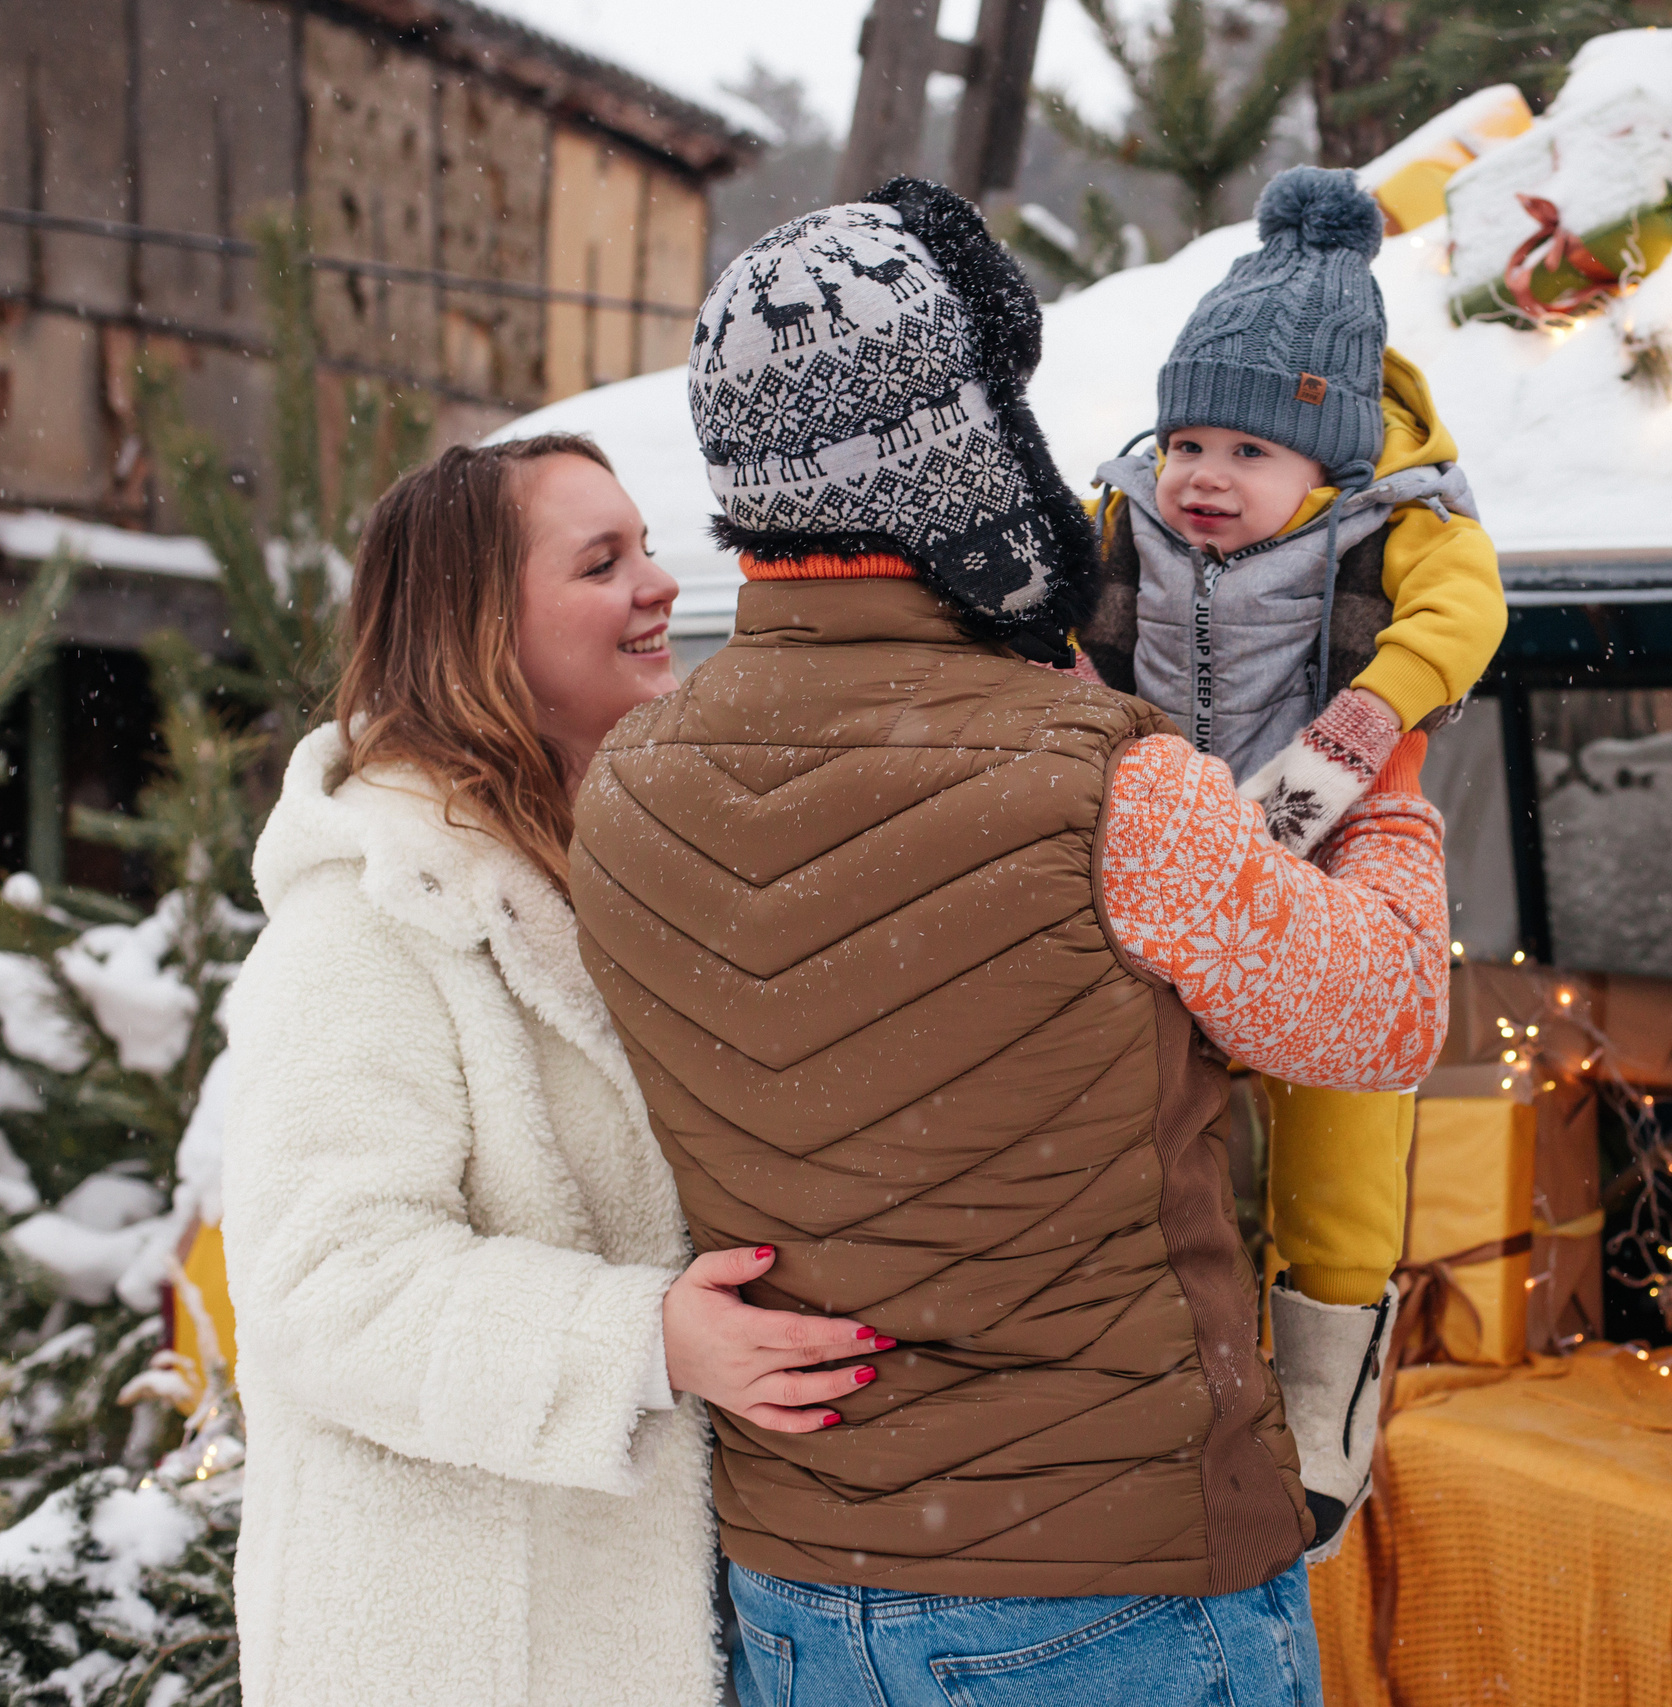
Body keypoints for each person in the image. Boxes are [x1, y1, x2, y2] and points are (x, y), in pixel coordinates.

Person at [570, 180, 1449, 1705]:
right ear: (961, 457)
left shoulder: (625, 785)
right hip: (1108, 1594)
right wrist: (1390, 780)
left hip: (795, 1589)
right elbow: (1381, 1015)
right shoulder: (1107, 783)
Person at [221, 435, 890, 1707]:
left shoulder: (632, 869)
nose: (660, 583)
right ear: (478, 628)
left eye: (647, 547)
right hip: (461, 1652)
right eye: (601, 563)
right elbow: (324, 1286)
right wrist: (644, 1340)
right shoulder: (364, 919)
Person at [1078, 164, 1505, 1550]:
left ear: (1331, 463)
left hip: (1316, 853)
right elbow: (1059, 625)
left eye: (1250, 453)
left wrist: (1378, 707)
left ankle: (1327, 1385)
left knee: (1343, 1118)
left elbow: (1467, 611)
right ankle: (1156, 1371)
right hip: (1159, 871)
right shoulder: (1124, 519)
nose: (1205, 475)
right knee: (1143, 1118)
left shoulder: (1401, 521)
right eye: (1188, 440)